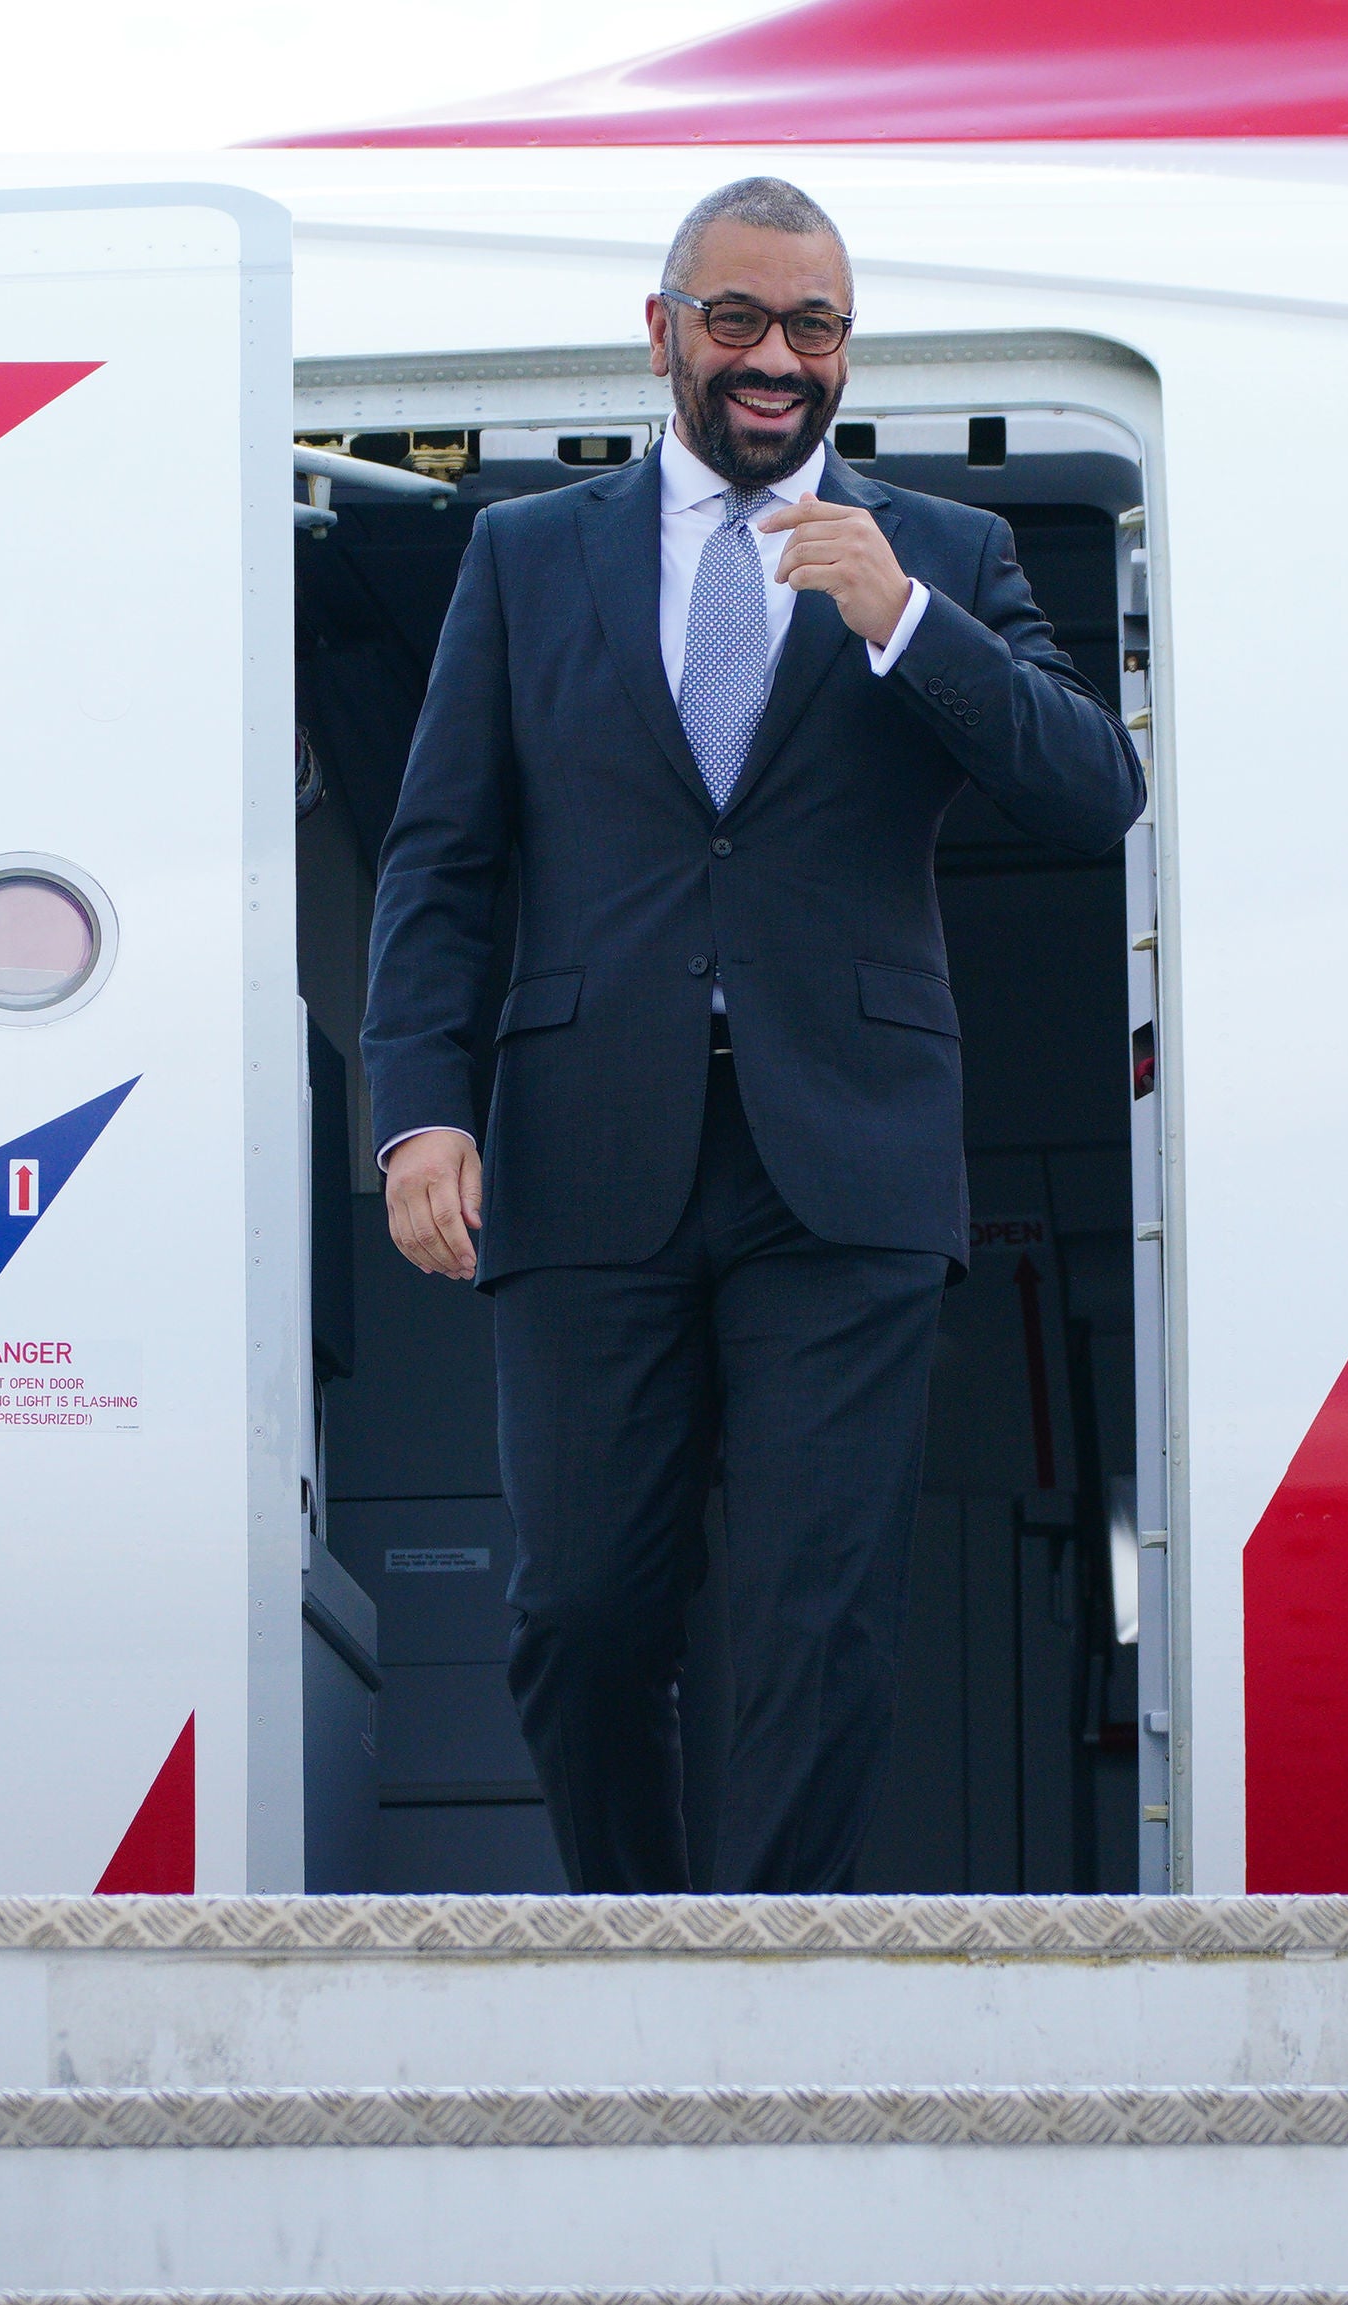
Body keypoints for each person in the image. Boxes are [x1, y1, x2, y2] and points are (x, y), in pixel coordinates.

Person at [361, 176, 1145, 1893]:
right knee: (579, 1610)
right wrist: (418, 1109)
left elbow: (1096, 789)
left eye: (815, 327)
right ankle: (636, 1951)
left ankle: (770, 1982)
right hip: (580, 1151)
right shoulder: (524, 556)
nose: (776, 359)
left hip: (843, 1156)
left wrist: (907, 627)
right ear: (663, 335)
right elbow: (443, 857)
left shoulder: (946, 557)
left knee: (818, 1609)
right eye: (739, 320)